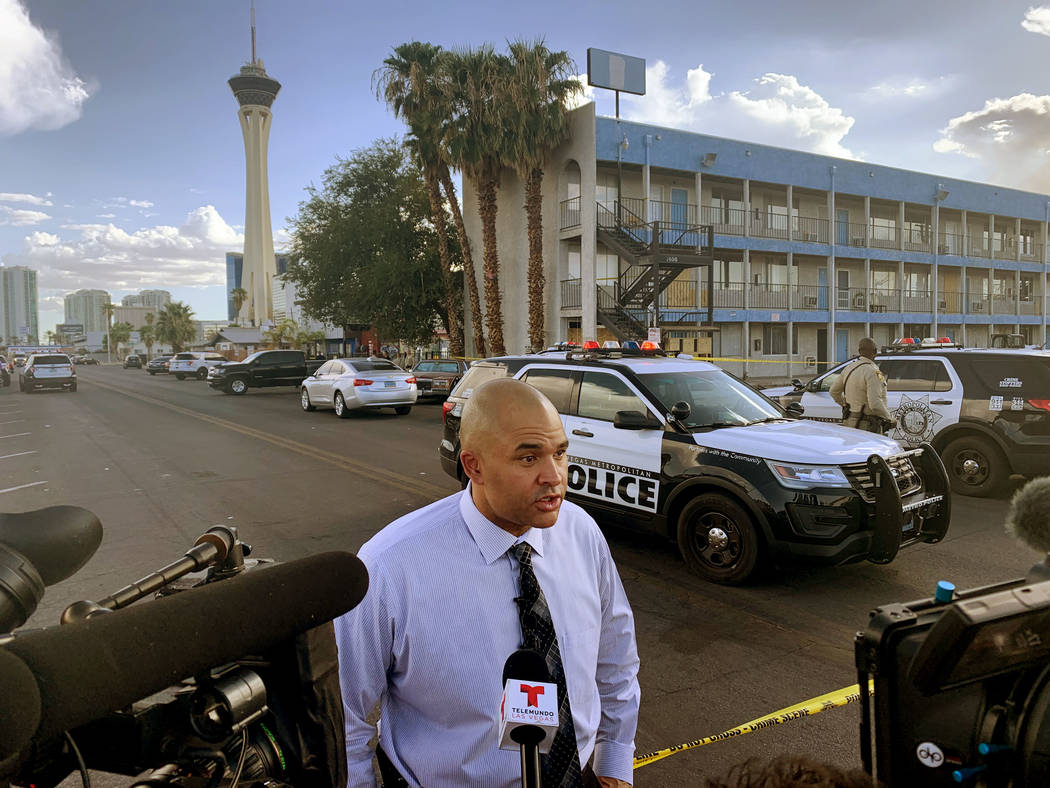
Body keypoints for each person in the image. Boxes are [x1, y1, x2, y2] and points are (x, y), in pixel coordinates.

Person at [334, 378, 640, 788]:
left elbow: (615, 655)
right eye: (528, 458)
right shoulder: (388, 566)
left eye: (560, 453)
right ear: (474, 465)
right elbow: (346, 717)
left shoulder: (581, 532)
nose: (554, 476)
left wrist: (614, 761)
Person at [829, 337, 896, 434]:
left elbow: (834, 392)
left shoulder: (849, 368)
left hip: (850, 422)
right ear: (875, 351)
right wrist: (890, 419)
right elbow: (875, 404)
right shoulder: (873, 372)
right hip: (867, 426)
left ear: (859, 351)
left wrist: (846, 405)